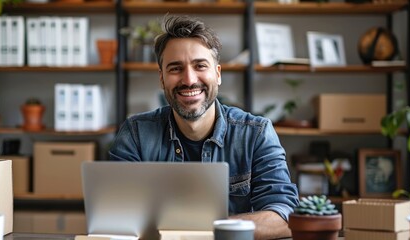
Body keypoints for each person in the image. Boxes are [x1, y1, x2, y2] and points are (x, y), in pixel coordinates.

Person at [109, 15, 299, 240]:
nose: (189, 80)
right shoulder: (136, 135)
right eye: (175, 68)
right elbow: (115, 217)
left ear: (217, 74)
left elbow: (285, 216)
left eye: (200, 66)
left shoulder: (256, 134)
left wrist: (207, 230)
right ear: (162, 79)